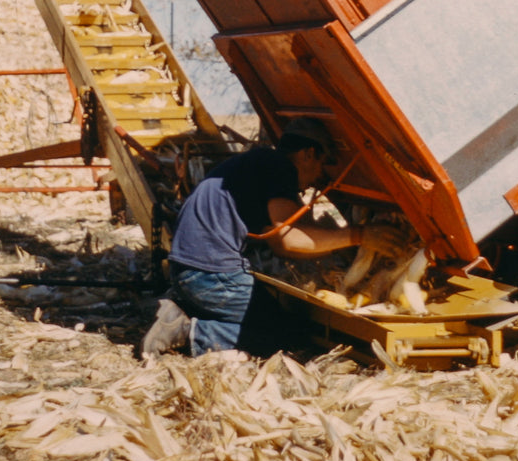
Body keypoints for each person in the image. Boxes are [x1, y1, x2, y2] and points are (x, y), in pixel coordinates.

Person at [140, 116, 400, 357]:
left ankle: (181, 311)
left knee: (273, 316)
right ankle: (188, 333)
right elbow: (287, 241)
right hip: (210, 275)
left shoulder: (257, 164)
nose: (318, 179)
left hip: (190, 270)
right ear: (308, 154)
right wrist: (359, 236)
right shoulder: (278, 167)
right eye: (322, 165)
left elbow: (284, 236)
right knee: (284, 335)